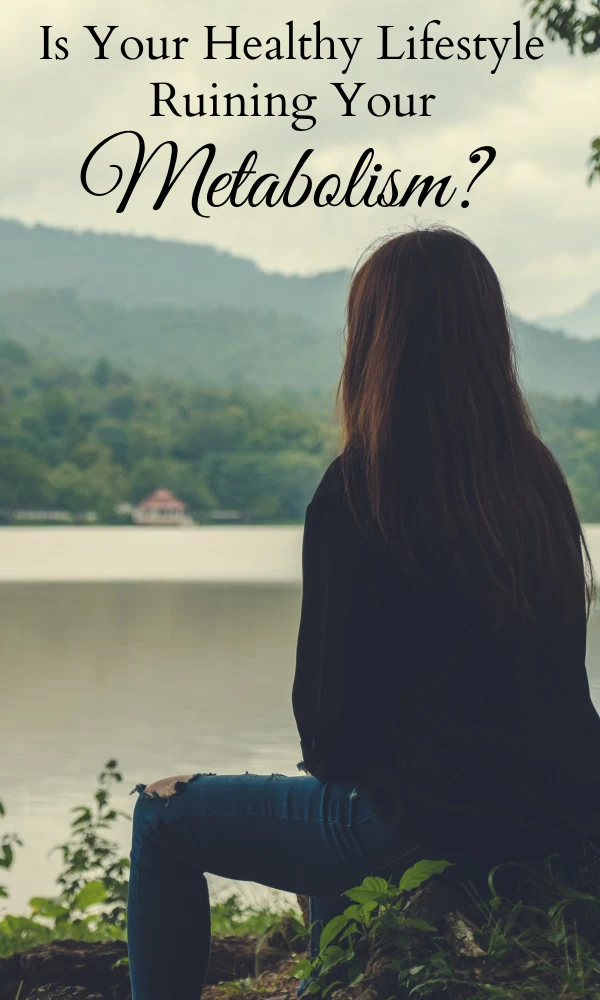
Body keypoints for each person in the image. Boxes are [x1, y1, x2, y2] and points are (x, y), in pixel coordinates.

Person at [127, 227, 600, 1000]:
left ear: (376, 342)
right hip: (557, 814)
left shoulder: (359, 490)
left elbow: (326, 722)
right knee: (349, 792)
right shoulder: (535, 480)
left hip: (429, 824)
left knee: (163, 818)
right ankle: (332, 978)